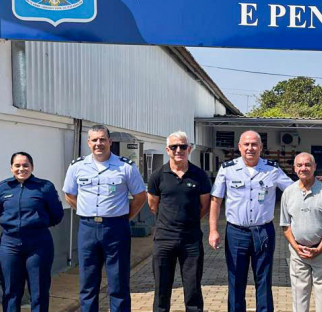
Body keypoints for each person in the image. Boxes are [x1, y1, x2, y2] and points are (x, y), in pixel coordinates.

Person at [63, 125, 147, 312]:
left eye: (102, 139)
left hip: (116, 228)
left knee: (118, 282)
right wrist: (87, 211)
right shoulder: (77, 167)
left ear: (110, 141)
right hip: (87, 228)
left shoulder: (125, 167)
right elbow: (69, 194)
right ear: (88, 143)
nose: (98, 144)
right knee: (88, 282)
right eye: (94, 140)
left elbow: (141, 196)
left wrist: (124, 218)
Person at [208, 130, 295, 312]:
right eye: (246, 144)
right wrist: (213, 230)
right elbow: (216, 200)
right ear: (239, 147)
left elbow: (293, 189)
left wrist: (316, 182)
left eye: (254, 144)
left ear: (261, 147)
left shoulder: (272, 169)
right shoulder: (227, 169)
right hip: (236, 232)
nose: (250, 148)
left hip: (263, 232)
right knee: (236, 279)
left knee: (263, 280)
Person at [147, 131, 211, 312]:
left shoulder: (199, 175)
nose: (178, 150)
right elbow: (153, 205)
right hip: (164, 239)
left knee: (192, 289)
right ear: (167, 150)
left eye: (182, 146)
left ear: (189, 149)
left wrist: (188, 222)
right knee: (161, 288)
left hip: (191, 240)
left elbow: (204, 206)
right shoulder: (158, 175)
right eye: (174, 147)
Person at [0, 152, 64, 312]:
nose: (21, 168)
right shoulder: (1, 188)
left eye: (25, 165)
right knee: (10, 290)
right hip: (9, 244)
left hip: (38, 244)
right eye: (17, 165)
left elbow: (57, 214)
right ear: (11, 168)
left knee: (39, 291)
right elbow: (0, 211)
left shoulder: (45, 187)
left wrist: (35, 225)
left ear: (32, 167)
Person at [281, 153, 322, 312]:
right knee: (299, 294)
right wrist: (296, 247)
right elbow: (285, 225)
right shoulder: (288, 192)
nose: (304, 168)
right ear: (294, 169)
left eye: (308, 165)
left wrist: (319, 248)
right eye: (299, 165)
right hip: (298, 253)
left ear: (314, 167)